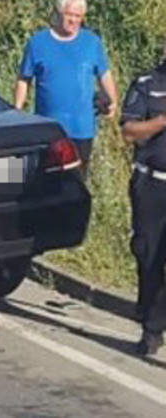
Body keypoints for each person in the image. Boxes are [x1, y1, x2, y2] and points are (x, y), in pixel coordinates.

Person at [14, 0, 117, 175]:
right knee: (48, 181)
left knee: (77, 182)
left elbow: (104, 74)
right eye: (69, 15)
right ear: (59, 13)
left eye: (78, 16)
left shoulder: (91, 43)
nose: (73, 20)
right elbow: (24, 79)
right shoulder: (38, 43)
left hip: (82, 127)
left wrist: (112, 101)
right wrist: (17, 110)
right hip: (49, 127)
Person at [121, 53, 166, 356]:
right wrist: (162, 120)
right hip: (151, 185)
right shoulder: (147, 84)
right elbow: (129, 132)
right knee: (149, 257)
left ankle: (154, 322)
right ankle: (150, 330)